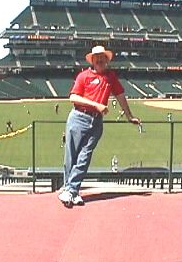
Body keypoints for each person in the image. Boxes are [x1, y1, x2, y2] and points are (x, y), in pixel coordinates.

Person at [58, 45, 141, 206]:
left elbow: (120, 96)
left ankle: (70, 190)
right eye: (97, 58)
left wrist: (129, 116)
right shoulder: (84, 76)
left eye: (103, 57)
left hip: (96, 122)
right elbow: (73, 97)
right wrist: (96, 105)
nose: (100, 60)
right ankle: (71, 190)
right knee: (71, 156)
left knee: (84, 156)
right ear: (93, 61)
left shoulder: (111, 77)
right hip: (78, 117)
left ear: (107, 60)